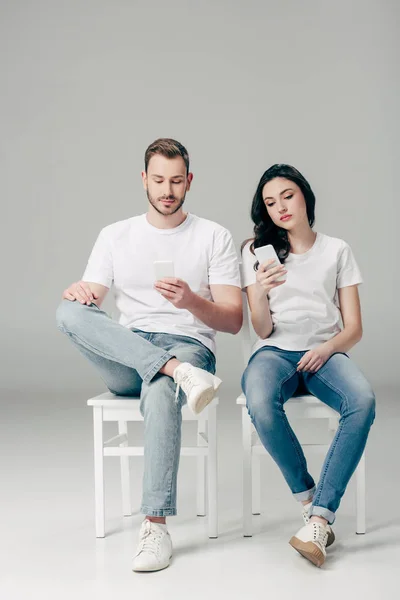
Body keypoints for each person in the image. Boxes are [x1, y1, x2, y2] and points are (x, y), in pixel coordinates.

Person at [56, 138, 242, 572]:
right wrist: (82, 293)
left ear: (189, 182)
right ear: (143, 180)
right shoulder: (115, 235)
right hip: (130, 351)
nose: (167, 190)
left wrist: (192, 301)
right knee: (67, 311)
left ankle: (155, 526)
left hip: (189, 344)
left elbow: (233, 321)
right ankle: (176, 372)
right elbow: (92, 303)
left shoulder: (213, 235)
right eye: (158, 180)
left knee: (160, 388)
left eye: (176, 181)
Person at [241, 164, 375, 568]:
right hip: (275, 352)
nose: (280, 206)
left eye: (287, 195)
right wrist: (260, 292)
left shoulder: (337, 250)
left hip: (327, 352)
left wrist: (326, 349)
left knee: (363, 401)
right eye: (270, 202)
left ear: (305, 196)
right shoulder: (255, 252)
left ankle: (319, 519)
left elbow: (354, 328)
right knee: (260, 399)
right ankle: (308, 497)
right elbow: (261, 329)